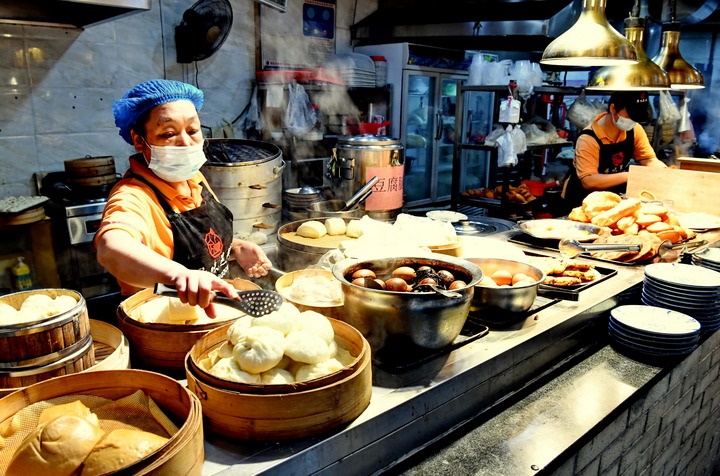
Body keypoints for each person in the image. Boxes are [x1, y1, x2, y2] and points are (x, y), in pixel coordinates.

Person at [95, 79, 272, 317]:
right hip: (163, 325)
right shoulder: (133, 196)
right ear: (139, 140)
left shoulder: (194, 178)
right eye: (169, 133)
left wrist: (235, 248)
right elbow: (111, 247)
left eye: (192, 131)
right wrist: (179, 276)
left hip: (213, 314)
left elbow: (203, 245)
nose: (186, 144)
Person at [561, 91, 667, 211]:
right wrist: (631, 176)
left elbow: (647, 158)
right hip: (582, 202)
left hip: (611, 199)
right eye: (629, 116)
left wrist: (664, 172)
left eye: (636, 117)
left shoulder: (634, 129)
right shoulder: (588, 138)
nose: (632, 121)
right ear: (613, 109)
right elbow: (589, 181)